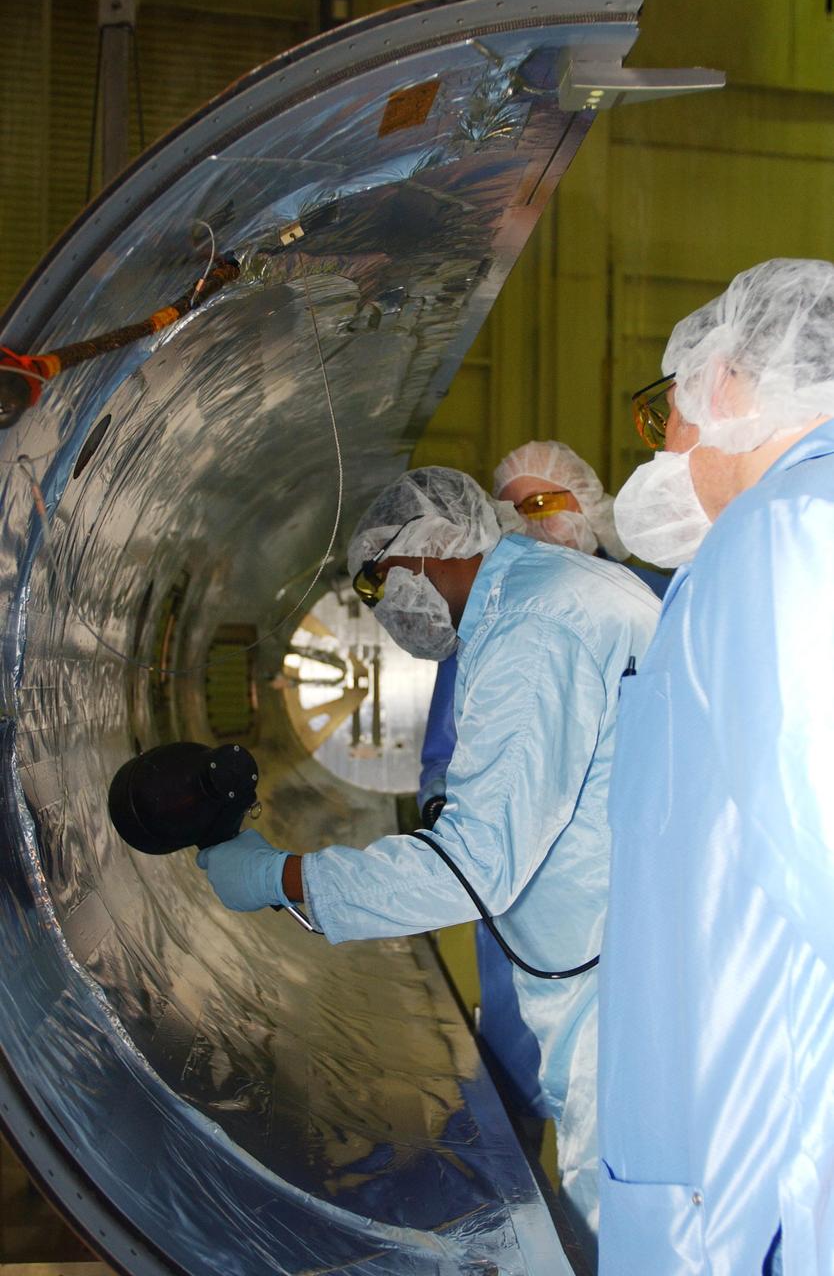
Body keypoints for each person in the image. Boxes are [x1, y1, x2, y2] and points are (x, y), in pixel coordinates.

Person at [197, 466, 659, 1261]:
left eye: (376, 586)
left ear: (428, 549)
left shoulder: (533, 628)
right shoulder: (532, 600)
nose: (381, 615)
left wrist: (280, 878)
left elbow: (472, 868)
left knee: (627, 1228)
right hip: (612, 954)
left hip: (622, 985)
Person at [597, 258, 834, 1275]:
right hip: (722, 1157)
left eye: (672, 407)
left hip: (752, 1186)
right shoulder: (763, 540)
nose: (666, 442)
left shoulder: (789, 530)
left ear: (734, 382)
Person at [417, 441, 651, 1151]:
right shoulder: (487, 626)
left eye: (546, 503)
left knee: (632, 1094)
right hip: (525, 911)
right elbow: (441, 760)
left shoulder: (655, 602)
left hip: (640, 898)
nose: (532, 522)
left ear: (590, 504)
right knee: (518, 1079)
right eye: (514, 510)